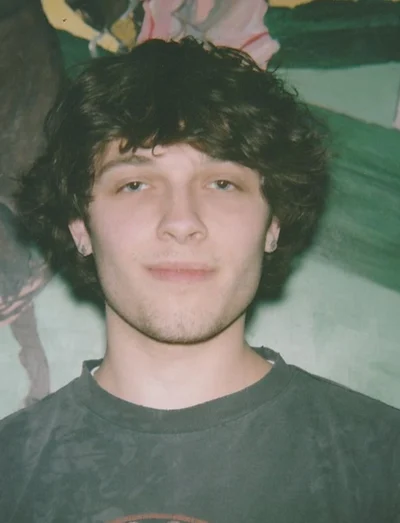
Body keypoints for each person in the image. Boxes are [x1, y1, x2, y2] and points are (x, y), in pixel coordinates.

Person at [0, 37, 399, 523]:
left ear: (273, 225)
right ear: (80, 226)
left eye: (222, 183)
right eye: (135, 184)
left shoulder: (385, 466)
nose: (182, 221)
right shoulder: (9, 474)